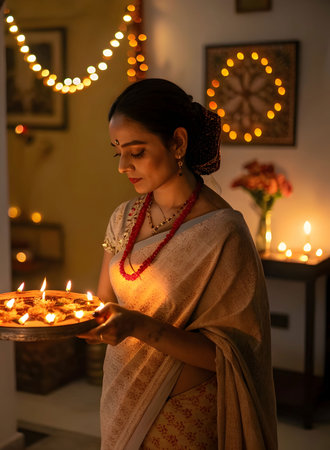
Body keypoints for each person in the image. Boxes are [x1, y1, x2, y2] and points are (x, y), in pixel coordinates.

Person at [78, 78, 278, 449]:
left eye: (136, 152)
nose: (123, 166)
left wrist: (138, 325)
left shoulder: (223, 232)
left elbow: (230, 356)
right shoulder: (123, 218)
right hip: (122, 393)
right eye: (117, 151)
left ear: (178, 143)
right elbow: (103, 303)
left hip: (183, 411)